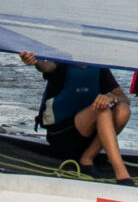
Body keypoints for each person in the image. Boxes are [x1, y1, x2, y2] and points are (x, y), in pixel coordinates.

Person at [21, 53, 131, 181]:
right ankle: (122, 175)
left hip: (87, 139)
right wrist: (35, 61)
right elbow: (45, 66)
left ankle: (87, 158)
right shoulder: (60, 62)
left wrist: (111, 97)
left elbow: (125, 99)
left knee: (123, 110)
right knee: (102, 110)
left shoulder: (99, 68)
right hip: (61, 136)